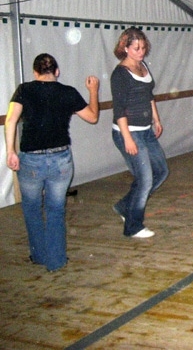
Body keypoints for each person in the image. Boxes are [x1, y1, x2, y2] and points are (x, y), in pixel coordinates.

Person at [4, 54, 99, 271]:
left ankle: (39, 255)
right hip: (60, 159)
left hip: (31, 159)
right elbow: (92, 117)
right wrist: (93, 91)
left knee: (32, 208)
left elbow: (10, 120)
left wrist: (10, 151)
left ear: (35, 72)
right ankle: (56, 261)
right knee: (55, 209)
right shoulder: (68, 92)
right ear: (57, 72)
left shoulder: (24, 90)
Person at [111, 27, 169, 239]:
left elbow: (148, 95)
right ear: (125, 48)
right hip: (129, 131)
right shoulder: (120, 74)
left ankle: (124, 206)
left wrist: (156, 118)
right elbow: (119, 110)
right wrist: (127, 138)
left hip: (145, 131)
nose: (141, 52)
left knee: (161, 171)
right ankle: (133, 226)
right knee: (145, 180)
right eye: (136, 48)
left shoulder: (143, 66)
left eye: (143, 48)